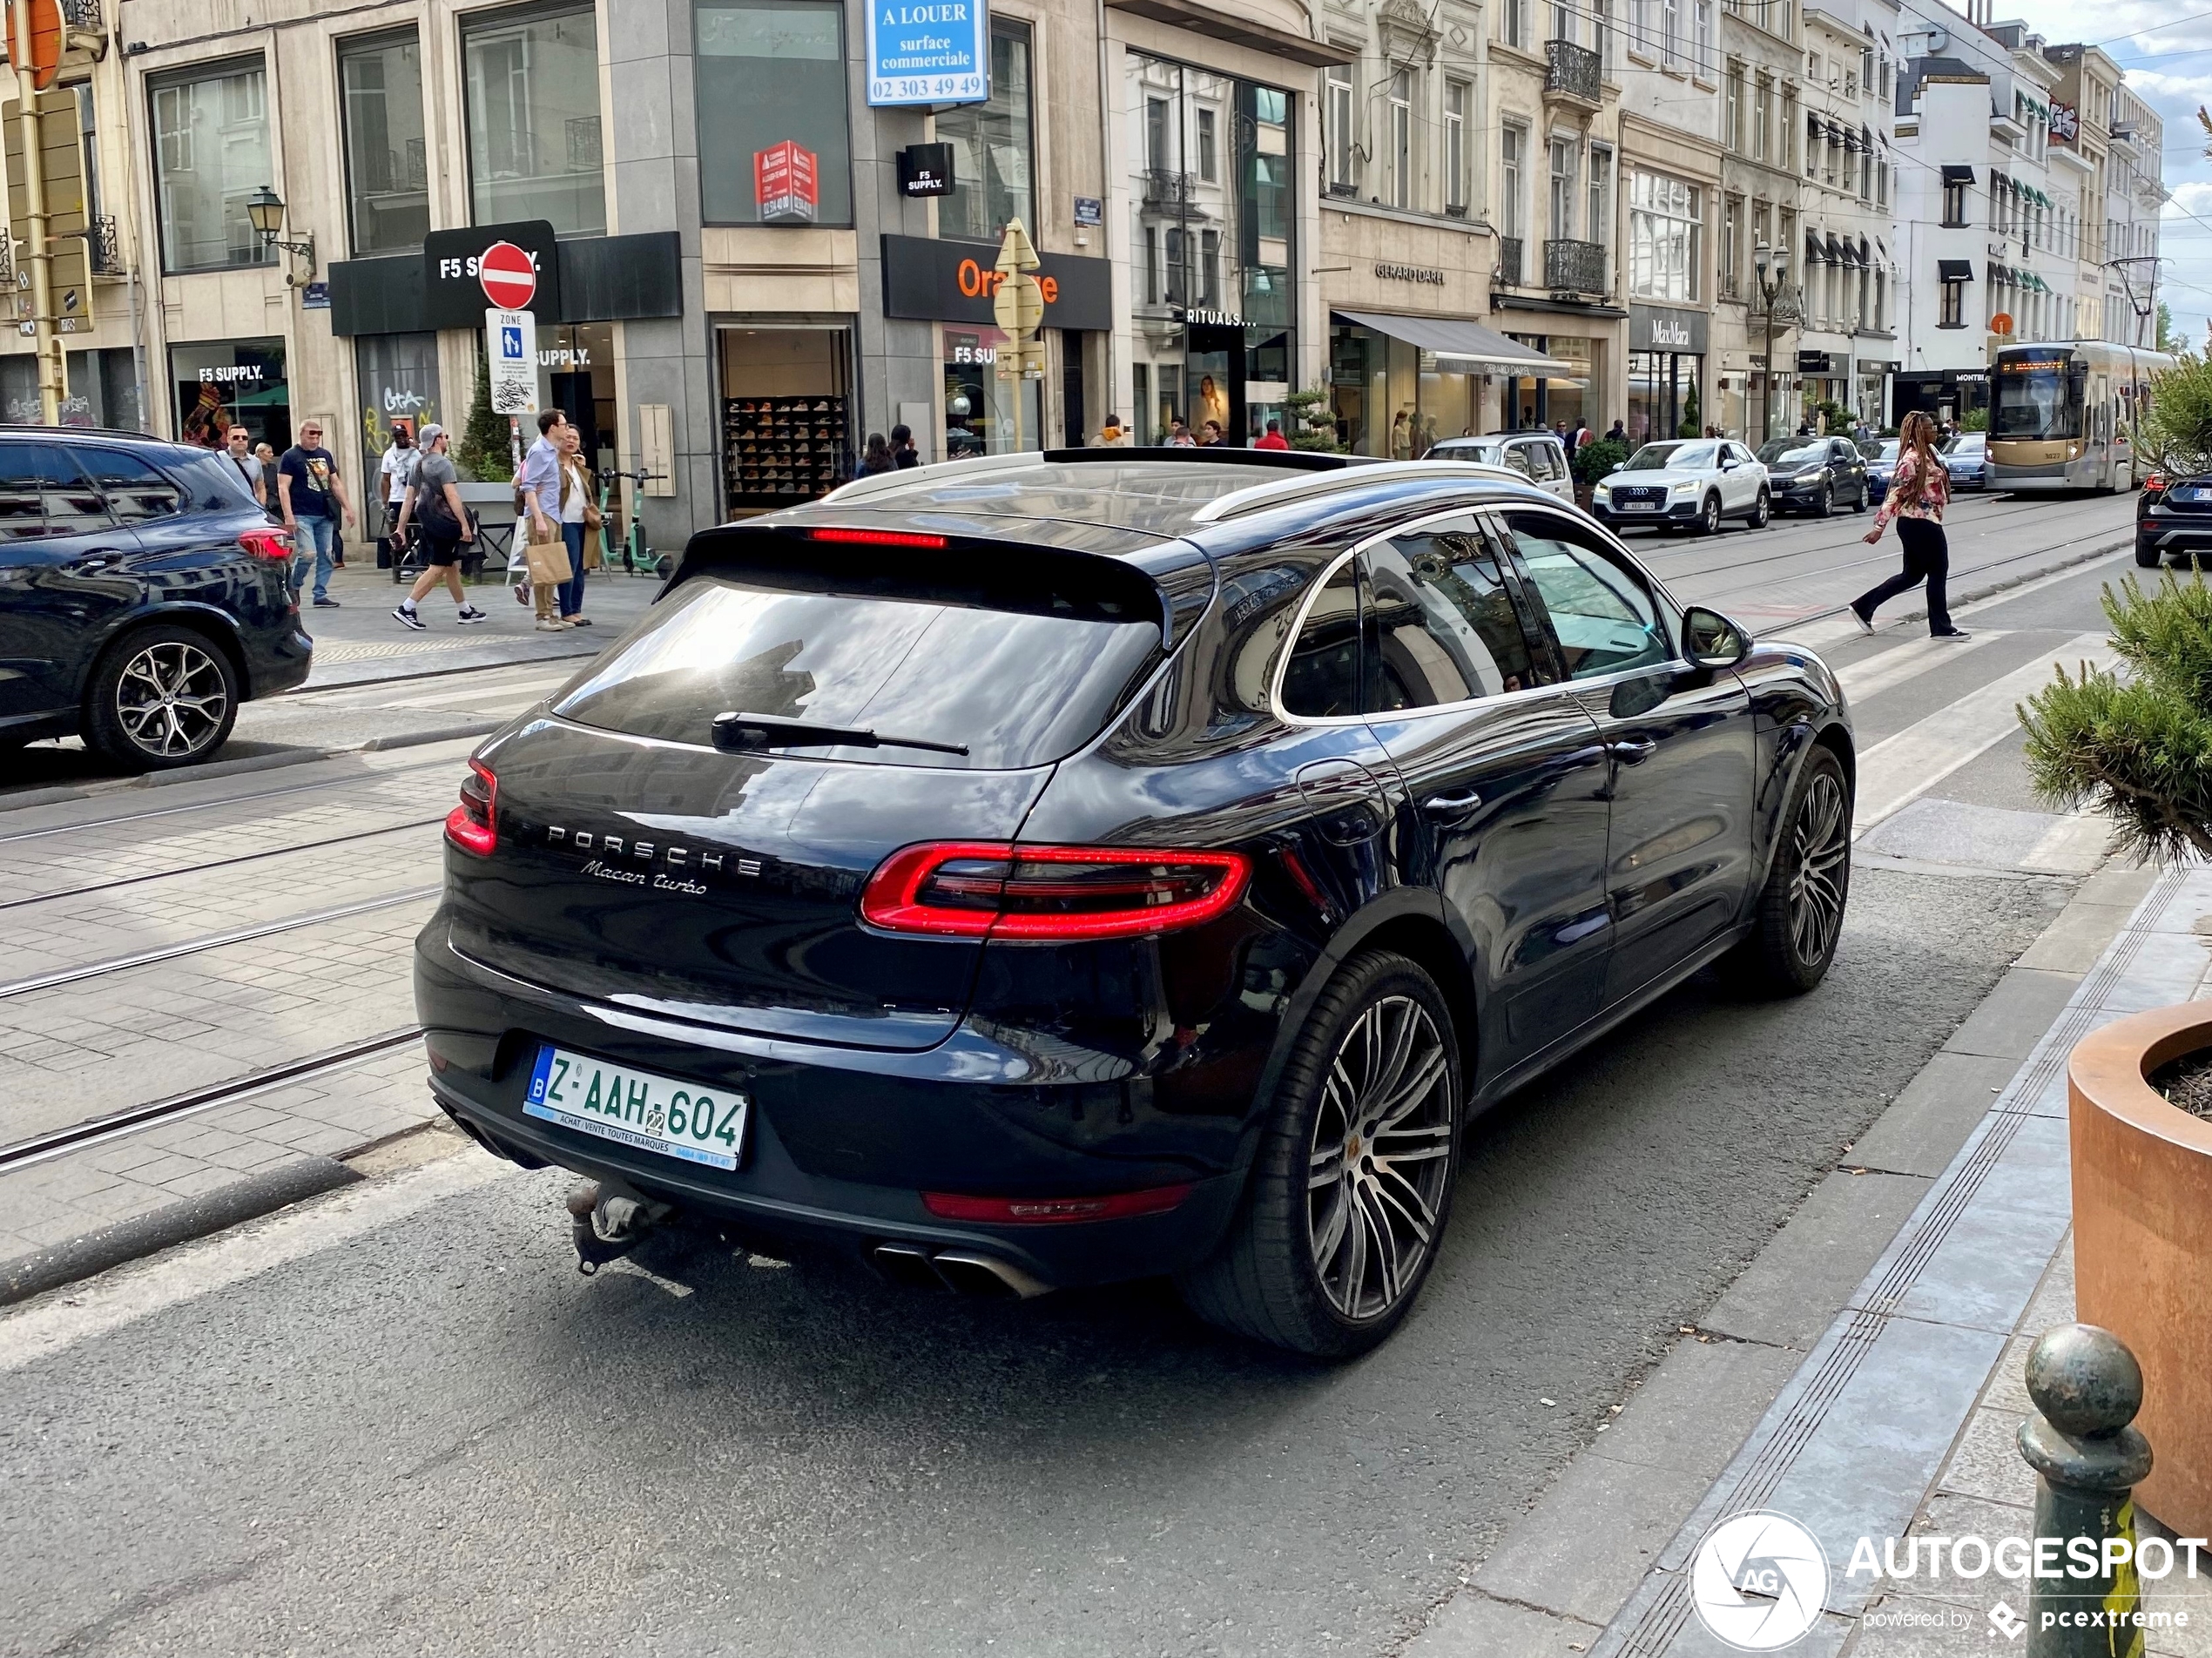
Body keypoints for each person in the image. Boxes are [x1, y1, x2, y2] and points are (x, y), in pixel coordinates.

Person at [1851, 410, 1968, 642]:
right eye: (1929, 428)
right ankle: (1941, 627)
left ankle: (1863, 607)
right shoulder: (1911, 460)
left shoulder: (1929, 454)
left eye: (1934, 427)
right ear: (1918, 432)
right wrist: (1878, 527)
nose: (1934, 430)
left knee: (1912, 575)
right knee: (1938, 571)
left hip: (1921, 522)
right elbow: (1894, 493)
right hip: (1919, 524)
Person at [390, 425, 487, 630]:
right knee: (438, 567)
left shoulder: (417, 465)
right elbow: (453, 497)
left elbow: (408, 500)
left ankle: (465, 610)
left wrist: (400, 529)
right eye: (444, 436)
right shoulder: (443, 464)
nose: (447, 440)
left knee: (451, 565)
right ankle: (407, 607)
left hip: (429, 522)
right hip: (446, 524)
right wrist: (465, 526)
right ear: (437, 440)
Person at [276, 419, 355, 610]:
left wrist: (347, 507)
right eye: (311, 433)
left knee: (326, 554)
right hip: (302, 513)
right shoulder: (290, 456)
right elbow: (283, 487)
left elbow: (335, 482)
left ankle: (320, 594)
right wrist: (288, 515)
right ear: (302, 433)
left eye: (318, 433)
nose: (315, 437)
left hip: (324, 513)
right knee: (307, 554)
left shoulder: (325, 455)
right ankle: (294, 586)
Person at [517, 408, 570, 632]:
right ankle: (542, 616)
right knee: (542, 565)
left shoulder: (551, 450)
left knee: (552, 564)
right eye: (564, 425)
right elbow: (528, 486)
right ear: (552, 428)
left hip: (553, 513)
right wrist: (538, 520)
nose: (567, 428)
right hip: (543, 515)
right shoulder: (539, 451)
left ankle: (551, 613)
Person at [556, 422, 595, 626]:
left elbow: (584, 491)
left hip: (582, 520)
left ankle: (576, 609)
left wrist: (582, 466)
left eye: (575, 438)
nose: (571, 441)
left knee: (580, 567)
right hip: (565, 520)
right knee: (569, 566)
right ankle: (567, 611)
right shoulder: (553, 463)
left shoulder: (577, 465)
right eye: (568, 436)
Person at [377, 423, 415, 540]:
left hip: (415, 499)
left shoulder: (416, 453)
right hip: (396, 499)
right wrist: (385, 502)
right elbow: (386, 479)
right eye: (398, 437)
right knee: (398, 533)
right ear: (394, 438)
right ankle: (400, 557)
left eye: (403, 436)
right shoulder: (389, 454)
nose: (401, 439)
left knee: (420, 532)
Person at [221, 425, 265, 507]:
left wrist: (261, 507)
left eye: (244, 438)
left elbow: (260, 488)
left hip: (250, 511)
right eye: (236, 437)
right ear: (228, 440)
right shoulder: (217, 459)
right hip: (225, 510)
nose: (240, 440)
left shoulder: (255, 461)